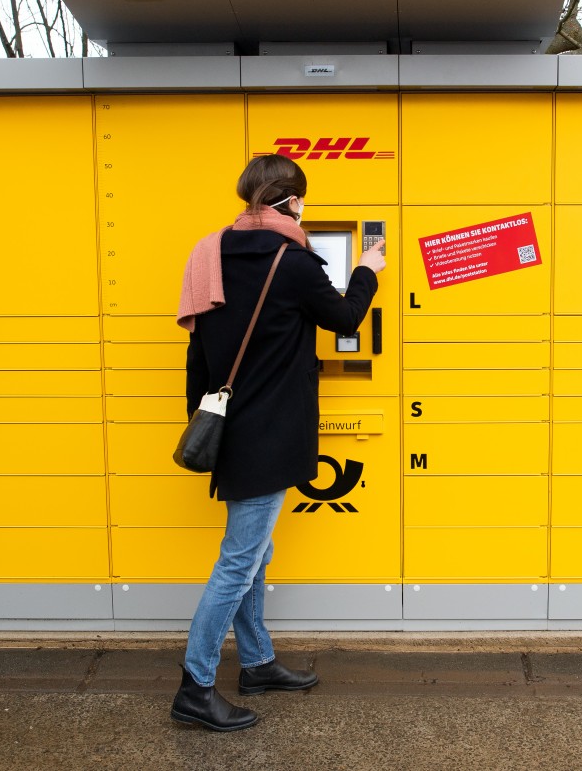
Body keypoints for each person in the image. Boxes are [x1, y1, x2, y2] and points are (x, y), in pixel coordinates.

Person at [170, 154, 385, 731]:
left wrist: (204, 420)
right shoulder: (293, 261)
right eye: (303, 201)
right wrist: (367, 268)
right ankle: (196, 686)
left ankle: (259, 662)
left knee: (255, 553)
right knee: (238, 564)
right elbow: (343, 318)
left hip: (231, 427)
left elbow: (197, 352)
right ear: (290, 202)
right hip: (269, 435)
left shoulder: (207, 254)